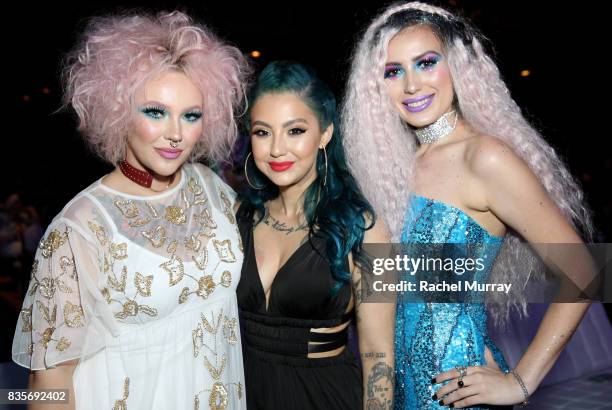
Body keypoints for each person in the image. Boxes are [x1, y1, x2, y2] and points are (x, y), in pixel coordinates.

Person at [342, 2, 594, 409]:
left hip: (457, 394)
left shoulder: (484, 158)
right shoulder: (393, 172)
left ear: (455, 66)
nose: (411, 85)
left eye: (426, 63)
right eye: (393, 71)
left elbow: (584, 271)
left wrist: (520, 383)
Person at [12, 11, 249, 409]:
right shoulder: (80, 228)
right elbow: (47, 385)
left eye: (191, 115)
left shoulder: (213, 189)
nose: (175, 133)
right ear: (118, 110)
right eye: (155, 112)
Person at [236, 61, 395, 409]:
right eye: (263, 132)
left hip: (323, 395)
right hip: (242, 392)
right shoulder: (239, 216)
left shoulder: (365, 228)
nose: (277, 149)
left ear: (324, 134)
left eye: (295, 131)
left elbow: (378, 354)